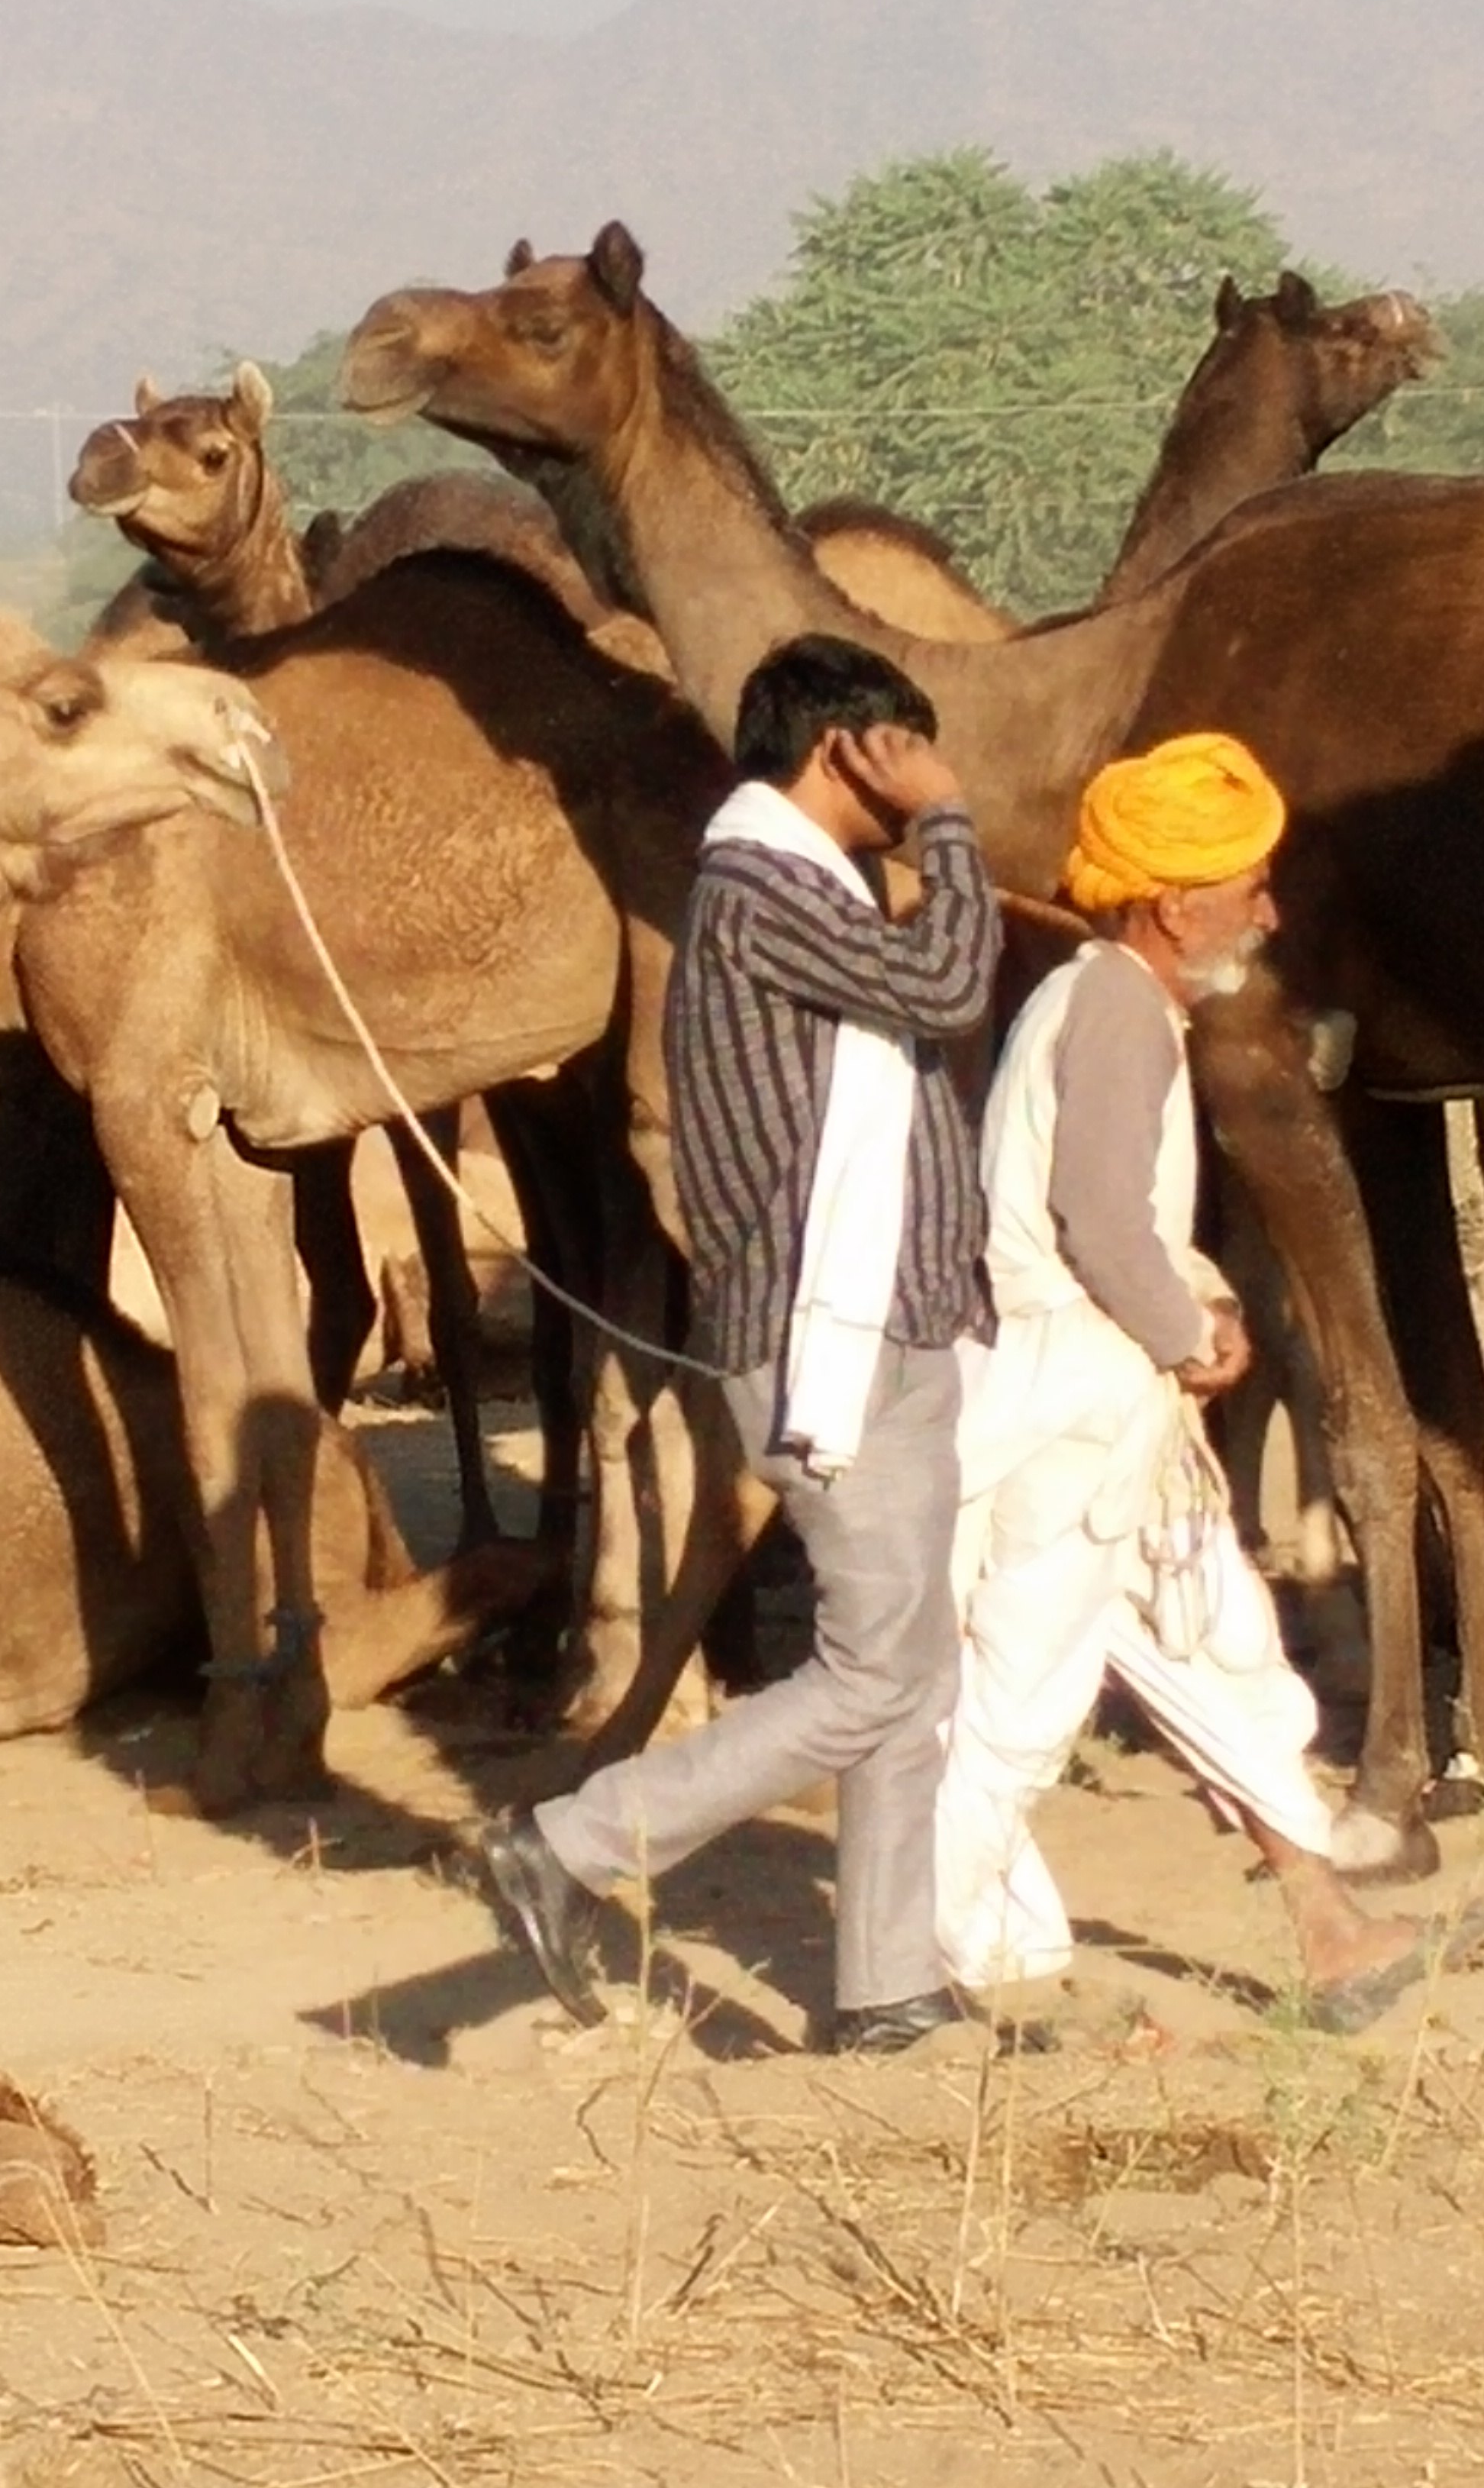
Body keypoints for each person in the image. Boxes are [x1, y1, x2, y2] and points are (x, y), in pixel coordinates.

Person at [473, 632, 1001, 2055]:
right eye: (905, 755)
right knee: (876, 1669)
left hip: (896, 1317)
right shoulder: (760, 887)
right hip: (830, 1330)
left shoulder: (808, 888)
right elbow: (950, 989)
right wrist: (948, 825)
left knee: (911, 1664)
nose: (925, 784)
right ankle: (577, 1844)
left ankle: (888, 1989)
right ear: (845, 751)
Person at [934, 730, 1484, 2034]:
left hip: (1111, 1401)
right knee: (1019, 1702)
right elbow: (1096, 1222)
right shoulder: (1117, 1015)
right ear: (1176, 902)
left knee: (1226, 1662)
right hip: (1071, 1402)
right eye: (1247, 884)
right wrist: (1190, 1333)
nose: (1269, 909)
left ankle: (1332, 1929)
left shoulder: (1111, 1007)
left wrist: (1191, 1317)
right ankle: (949, 1966)